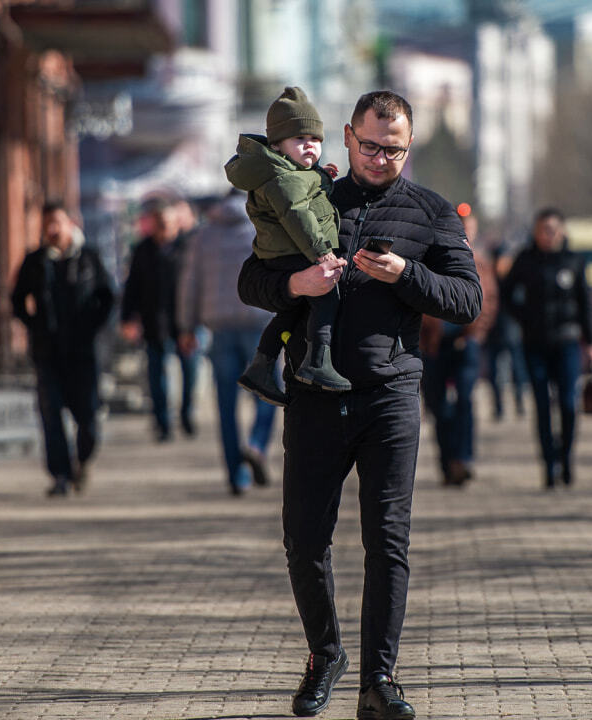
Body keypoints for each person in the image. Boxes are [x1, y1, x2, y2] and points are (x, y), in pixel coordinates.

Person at [238, 90, 481, 720]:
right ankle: (326, 654)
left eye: (394, 150)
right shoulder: (310, 196)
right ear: (348, 136)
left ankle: (379, 681)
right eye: (370, 146)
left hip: (391, 396)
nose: (379, 159)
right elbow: (251, 279)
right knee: (304, 541)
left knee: (387, 541)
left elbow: (466, 299)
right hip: (316, 397)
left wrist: (406, 275)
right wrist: (296, 283)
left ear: (409, 147)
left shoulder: (429, 213)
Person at [226, 86, 350, 403]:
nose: (310, 145)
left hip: (286, 255)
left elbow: (302, 185)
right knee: (327, 298)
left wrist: (322, 177)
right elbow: (297, 214)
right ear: (278, 145)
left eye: (315, 139)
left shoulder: (290, 173)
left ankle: (261, 366)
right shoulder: (284, 179)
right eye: (300, 139)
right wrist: (322, 253)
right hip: (296, 254)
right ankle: (317, 360)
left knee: (289, 313)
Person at [176, 190, 280, 496]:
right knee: (269, 392)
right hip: (259, 323)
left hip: (219, 327)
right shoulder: (262, 230)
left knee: (225, 402)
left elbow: (189, 283)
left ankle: (236, 477)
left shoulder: (204, 235)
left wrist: (186, 326)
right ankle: (257, 444)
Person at [11, 202, 115, 497]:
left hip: (84, 353)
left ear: (71, 223)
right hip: (48, 352)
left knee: (89, 419)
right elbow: (17, 300)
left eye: (57, 222)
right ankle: (59, 475)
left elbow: (108, 297)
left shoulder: (89, 258)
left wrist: (93, 328)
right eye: (47, 224)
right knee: (51, 413)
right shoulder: (35, 262)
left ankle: (83, 460)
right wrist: (35, 325)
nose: (52, 229)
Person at [503, 208, 592, 490]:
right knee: (543, 405)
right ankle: (548, 465)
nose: (547, 235)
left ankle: (566, 457)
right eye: (542, 229)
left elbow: (587, 306)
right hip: (534, 343)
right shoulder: (525, 260)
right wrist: (523, 318)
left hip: (567, 342)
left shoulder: (574, 262)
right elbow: (507, 294)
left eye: (552, 229)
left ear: (562, 231)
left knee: (569, 403)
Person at [420, 212, 498, 487]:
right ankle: (447, 462)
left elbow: (488, 304)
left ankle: (462, 460)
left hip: (466, 344)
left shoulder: (481, 264)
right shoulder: (428, 260)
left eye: (470, 227)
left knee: (465, 400)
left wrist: (475, 333)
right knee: (438, 406)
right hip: (433, 345)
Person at [120, 193, 201, 442]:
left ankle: (186, 413)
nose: (164, 228)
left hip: (186, 321)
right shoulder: (143, 250)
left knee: (190, 371)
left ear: (176, 223)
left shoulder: (188, 248)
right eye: (160, 223)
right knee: (157, 374)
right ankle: (162, 423)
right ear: (153, 224)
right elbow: (131, 286)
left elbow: (198, 284)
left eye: (168, 222)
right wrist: (127, 318)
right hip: (154, 320)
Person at [484, 238, 528, 421]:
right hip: (493, 330)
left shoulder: (513, 278)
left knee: (517, 369)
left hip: (511, 330)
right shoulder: (489, 278)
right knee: (494, 373)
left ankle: (519, 402)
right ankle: (499, 406)